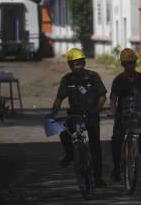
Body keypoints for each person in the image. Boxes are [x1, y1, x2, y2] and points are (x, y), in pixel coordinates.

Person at [50, 48, 107, 187]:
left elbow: (102, 96)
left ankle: (98, 178)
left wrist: (96, 110)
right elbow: (59, 99)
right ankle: (70, 154)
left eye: (80, 63)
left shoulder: (93, 77)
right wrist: (53, 114)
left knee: (95, 147)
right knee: (64, 134)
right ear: (70, 66)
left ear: (84, 63)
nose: (78, 66)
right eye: (74, 64)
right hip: (74, 116)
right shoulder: (67, 79)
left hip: (91, 116)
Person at [110, 48, 141, 182]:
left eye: (131, 63)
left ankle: (140, 139)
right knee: (116, 140)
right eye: (126, 63)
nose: (129, 65)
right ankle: (117, 168)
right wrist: (114, 112)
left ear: (135, 63)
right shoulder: (118, 80)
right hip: (122, 114)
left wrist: (140, 95)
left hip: (138, 112)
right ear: (123, 64)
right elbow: (113, 98)